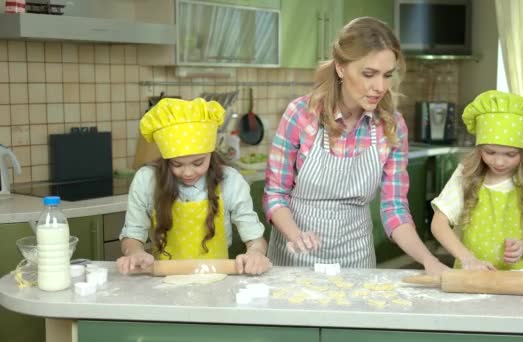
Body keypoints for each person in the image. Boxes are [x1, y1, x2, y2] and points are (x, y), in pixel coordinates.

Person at [263, 17, 448, 274]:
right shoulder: (301, 115)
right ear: (340, 67)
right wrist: (295, 235)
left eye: (387, 75)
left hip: (356, 262)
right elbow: (275, 194)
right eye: (369, 74)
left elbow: (394, 208)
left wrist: (429, 260)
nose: (380, 87)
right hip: (295, 259)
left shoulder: (391, 126)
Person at [116, 98, 272, 275]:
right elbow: (133, 234)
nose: (188, 173)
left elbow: (255, 238)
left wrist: (255, 253)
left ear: (211, 155)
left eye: (198, 163)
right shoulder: (146, 180)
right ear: (167, 160)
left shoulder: (230, 181)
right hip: (163, 284)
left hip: (217, 282)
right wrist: (135, 253)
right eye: (177, 164)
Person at [430, 90, 523, 270]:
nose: (499, 162)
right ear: (479, 148)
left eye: (510, 154)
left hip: (514, 278)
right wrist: (467, 259)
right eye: (490, 152)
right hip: (469, 275)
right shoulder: (465, 175)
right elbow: (438, 224)